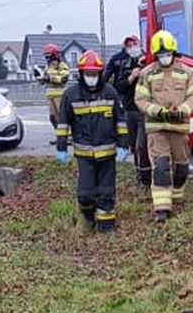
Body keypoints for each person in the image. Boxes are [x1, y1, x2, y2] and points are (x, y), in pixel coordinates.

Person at [54, 50, 128, 232]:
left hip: (108, 154)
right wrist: (61, 147)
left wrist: (123, 145)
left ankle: (106, 228)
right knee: (85, 194)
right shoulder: (71, 95)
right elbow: (63, 123)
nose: (91, 77)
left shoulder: (110, 93)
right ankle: (88, 217)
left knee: (106, 192)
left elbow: (120, 121)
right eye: (88, 74)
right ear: (81, 74)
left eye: (94, 74)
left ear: (100, 74)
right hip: (84, 155)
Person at [134, 30, 193, 222]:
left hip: (179, 128)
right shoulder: (147, 74)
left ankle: (177, 197)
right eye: (161, 54)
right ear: (155, 55)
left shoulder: (186, 73)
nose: (165, 57)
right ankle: (162, 208)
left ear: (173, 52)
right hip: (157, 128)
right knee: (161, 166)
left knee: (182, 167)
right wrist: (157, 110)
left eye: (167, 53)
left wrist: (183, 110)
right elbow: (140, 99)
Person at [105, 35, 151, 187]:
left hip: (144, 110)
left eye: (135, 44)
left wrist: (143, 70)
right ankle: (139, 175)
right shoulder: (119, 60)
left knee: (141, 145)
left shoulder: (147, 60)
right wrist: (131, 77)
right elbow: (117, 85)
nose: (133, 47)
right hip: (128, 109)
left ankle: (146, 178)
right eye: (129, 44)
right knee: (133, 146)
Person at [38, 43, 71, 144]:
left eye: (48, 55)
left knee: (63, 117)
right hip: (50, 96)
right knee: (53, 118)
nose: (47, 58)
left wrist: (50, 78)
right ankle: (59, 137)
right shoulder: (47, 67)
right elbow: (44, 80)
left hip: (60, 96)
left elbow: (63, 78)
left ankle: (69, 137)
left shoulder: (62, 65)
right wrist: (41, 79)